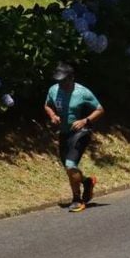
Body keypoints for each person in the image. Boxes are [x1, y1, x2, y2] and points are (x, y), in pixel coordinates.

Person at [44, 62, 104, 213]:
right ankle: (87, 182)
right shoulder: (53, 90)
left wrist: (85, 120)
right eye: (58, 80)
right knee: (69, 167)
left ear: (71, 78)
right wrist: (52, 115)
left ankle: (77, 200)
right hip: (64, 133)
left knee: (71, 164)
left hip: (81, 132)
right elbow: (47, 105)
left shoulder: (82, 92)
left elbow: (100, 109)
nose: (60, 83)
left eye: (63, 80)